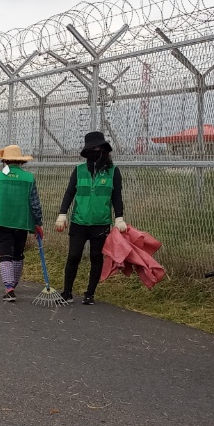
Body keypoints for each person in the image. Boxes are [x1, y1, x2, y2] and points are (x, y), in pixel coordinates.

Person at [54, 130, 127, 305]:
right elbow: (70, 193)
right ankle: (67, 292)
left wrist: (119, 218)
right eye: (92, 148)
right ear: (87, 151)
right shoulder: (79, 170)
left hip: (100, 223)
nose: (96, 151)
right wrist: (62, 214)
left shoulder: (113, 172)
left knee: (96, 256)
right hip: (79, 222)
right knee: (73, 256)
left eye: (99, 148)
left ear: (104, 149)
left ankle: (90, 293)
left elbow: (117, 197)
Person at [0, 145, 44, 302]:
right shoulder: (29, 178)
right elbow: (34, 202)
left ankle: (9, 288)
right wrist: (38, 222)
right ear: (20, 161)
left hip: (1, 219)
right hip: (21, 221)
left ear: (5, 160)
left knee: (5, 253)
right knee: (18, 253)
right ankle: (14, 283)